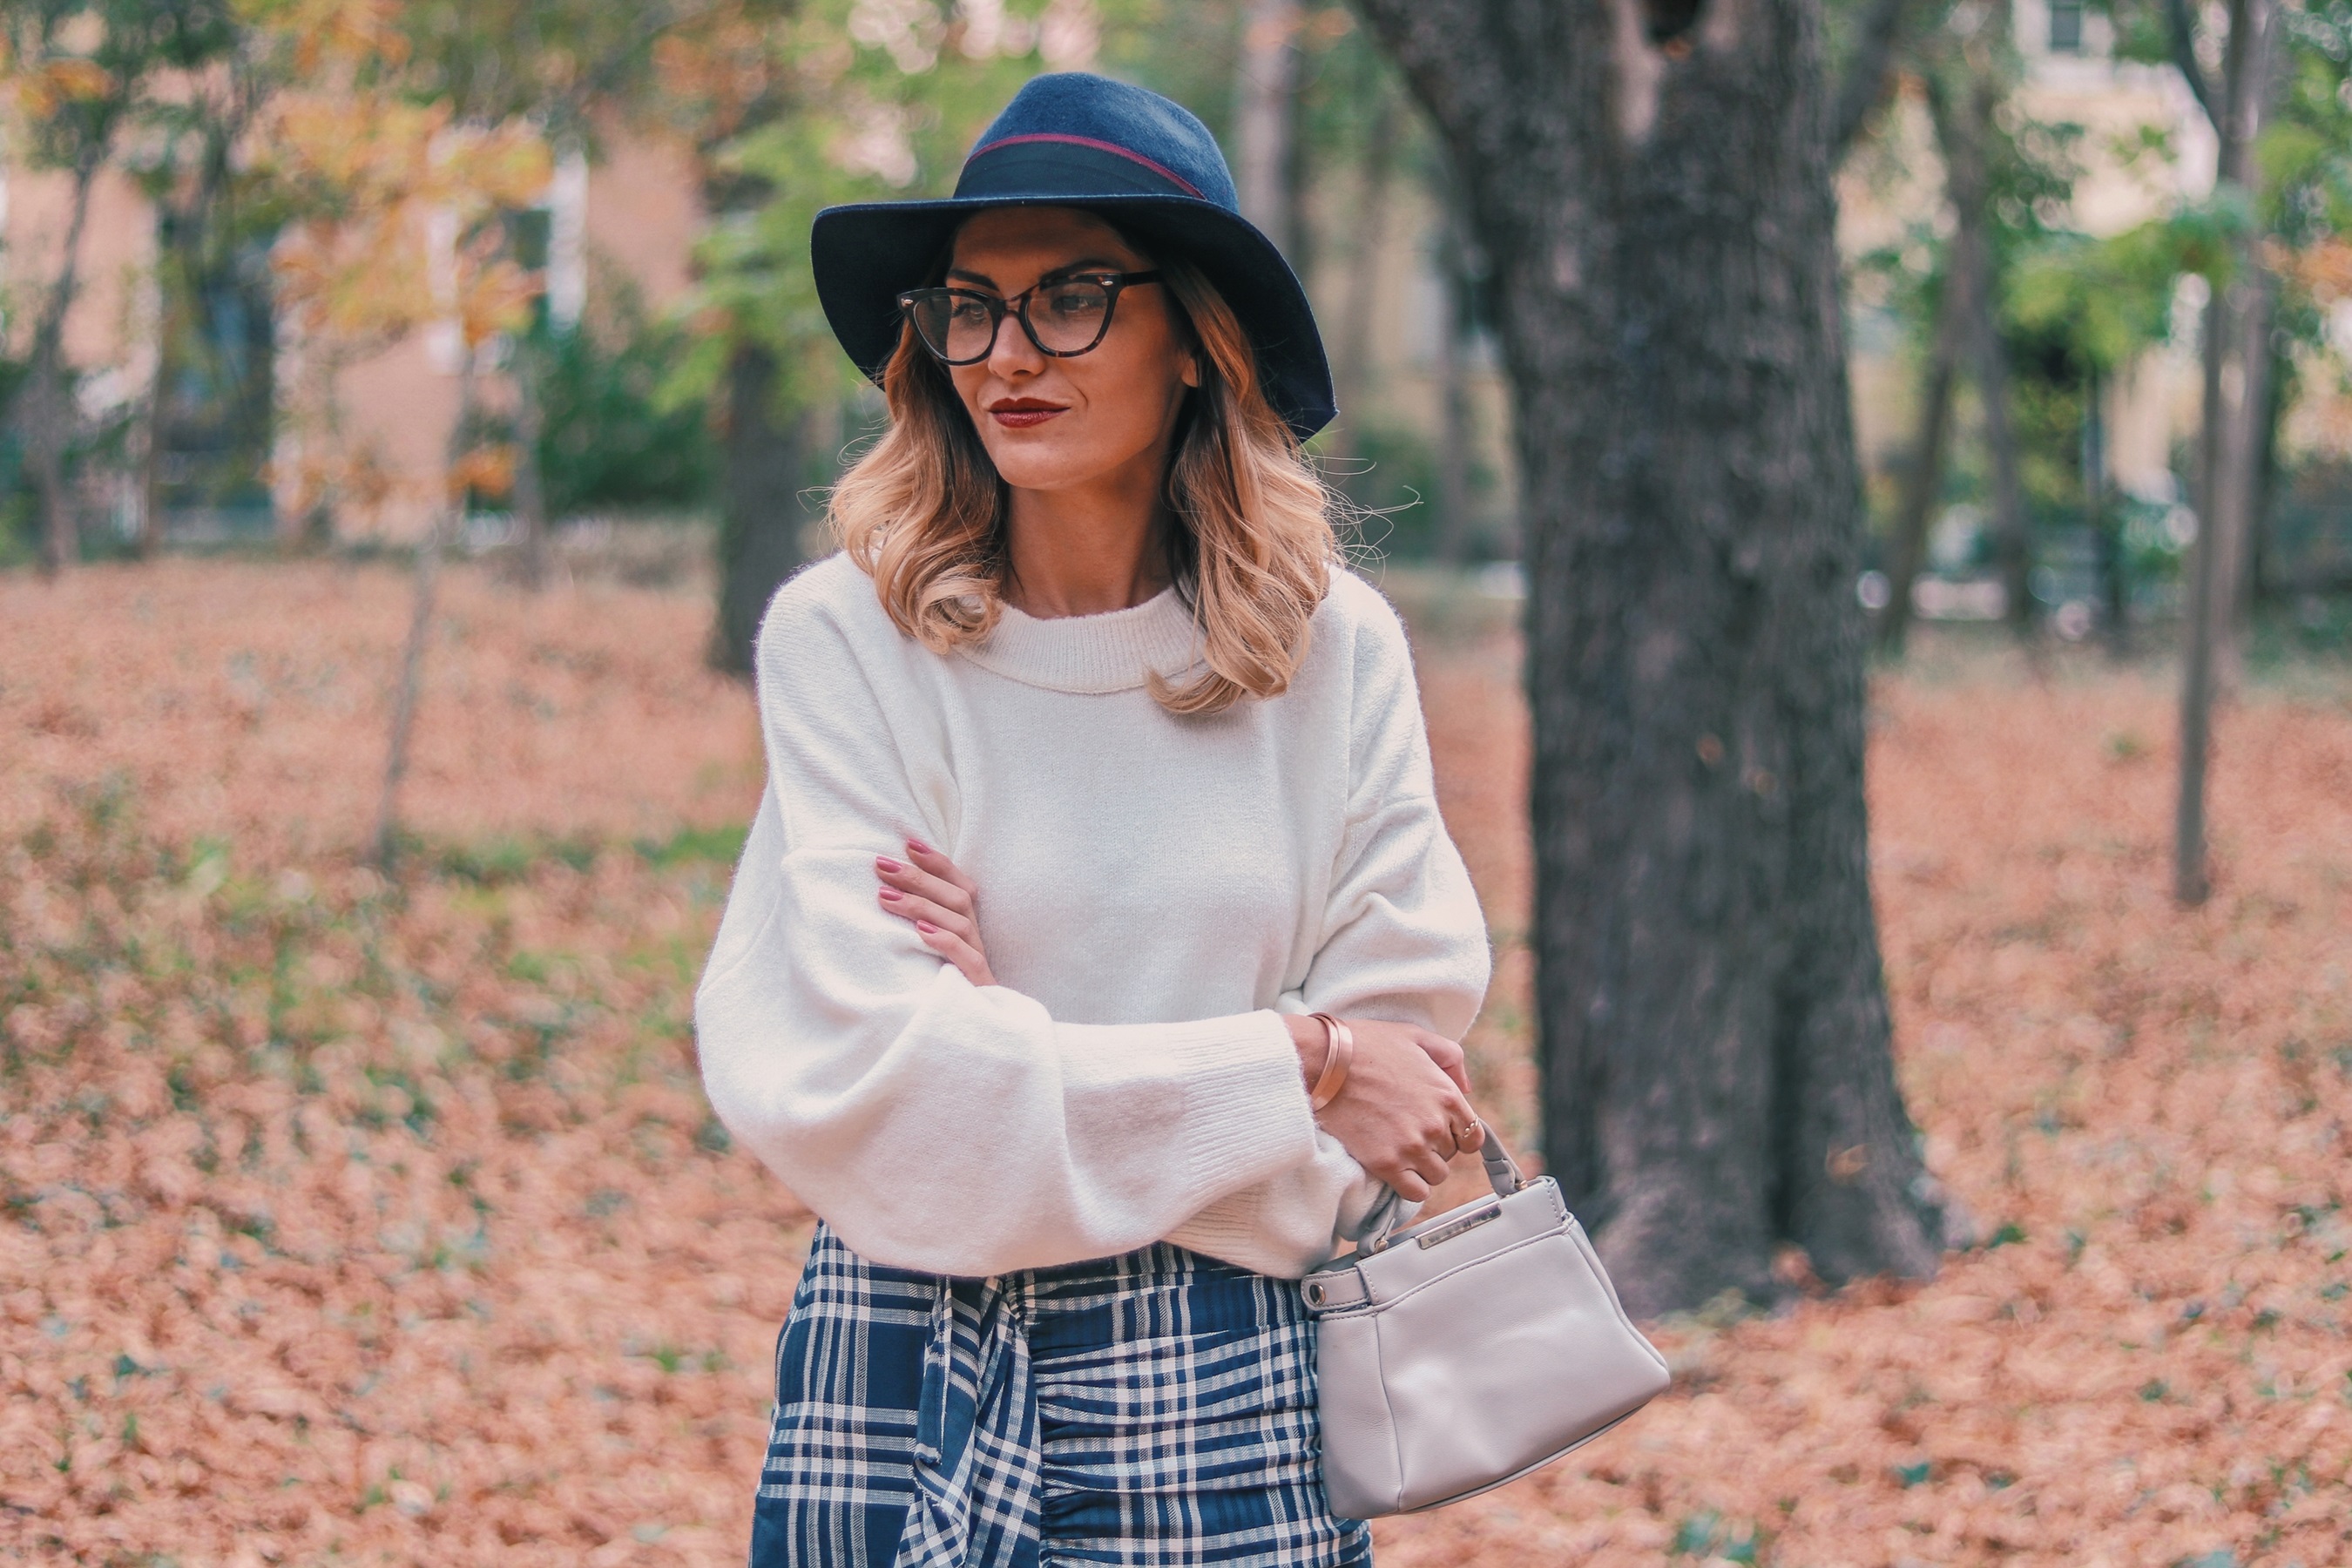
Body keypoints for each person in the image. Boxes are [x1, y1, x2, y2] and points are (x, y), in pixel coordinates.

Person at [695, 71, 1490, 1567]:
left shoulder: (1335, 659)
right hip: (912, 1352)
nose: (1006, 352)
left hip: (1232, 1375)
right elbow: (890, 1092)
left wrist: (1021, 1039)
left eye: (1071, 298)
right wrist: (1298, 1059)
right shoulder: (849, 647)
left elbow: (1410, 1067)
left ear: (1197, 338)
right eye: (968, 305)